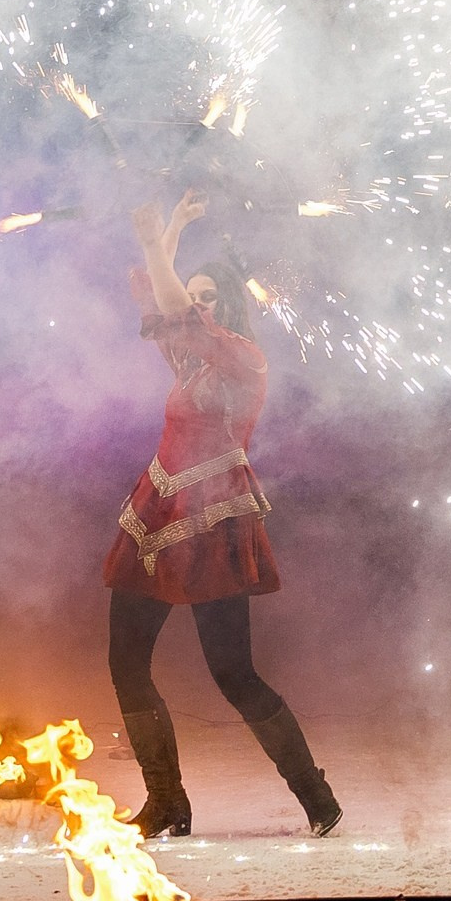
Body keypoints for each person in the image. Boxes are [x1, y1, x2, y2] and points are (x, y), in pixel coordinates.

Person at [101, 188, 341, 839]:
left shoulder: (244, 359)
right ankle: (167, 802)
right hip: (159, 513)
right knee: (126, 661)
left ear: (228, 306)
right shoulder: (186, 356)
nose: (197, 303)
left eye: (209, 297)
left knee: (234, 673)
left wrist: (157, 243)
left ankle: (316, 795)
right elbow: (162, 305)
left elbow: (178, 311)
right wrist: (170, 230)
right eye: (194, 294)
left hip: (214, 522)